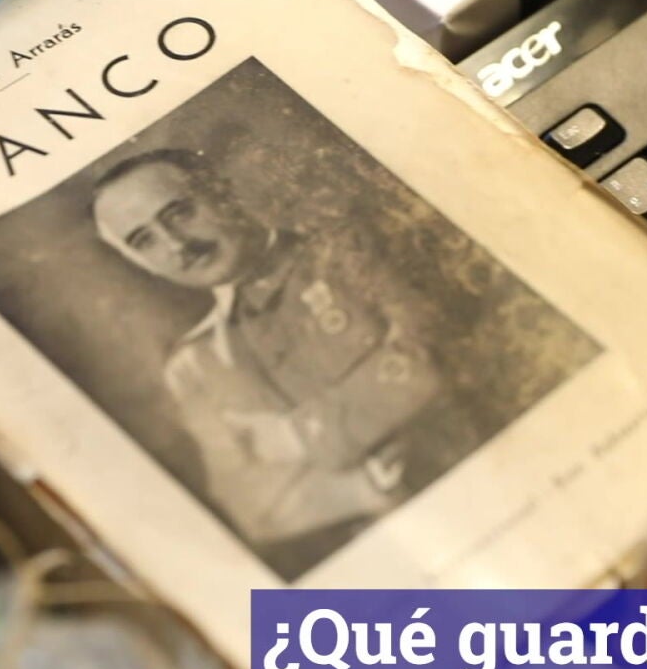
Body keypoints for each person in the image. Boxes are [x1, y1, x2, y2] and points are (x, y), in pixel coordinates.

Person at [90, 148, 446, 564]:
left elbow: (434, 360)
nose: (177, 245)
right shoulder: (196, 364)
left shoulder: (345, 250)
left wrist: (291, 438)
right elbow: (253, 507)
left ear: (222, 192)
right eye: (144, 241)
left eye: (179, 213)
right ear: (138, 263)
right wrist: (367, 488)